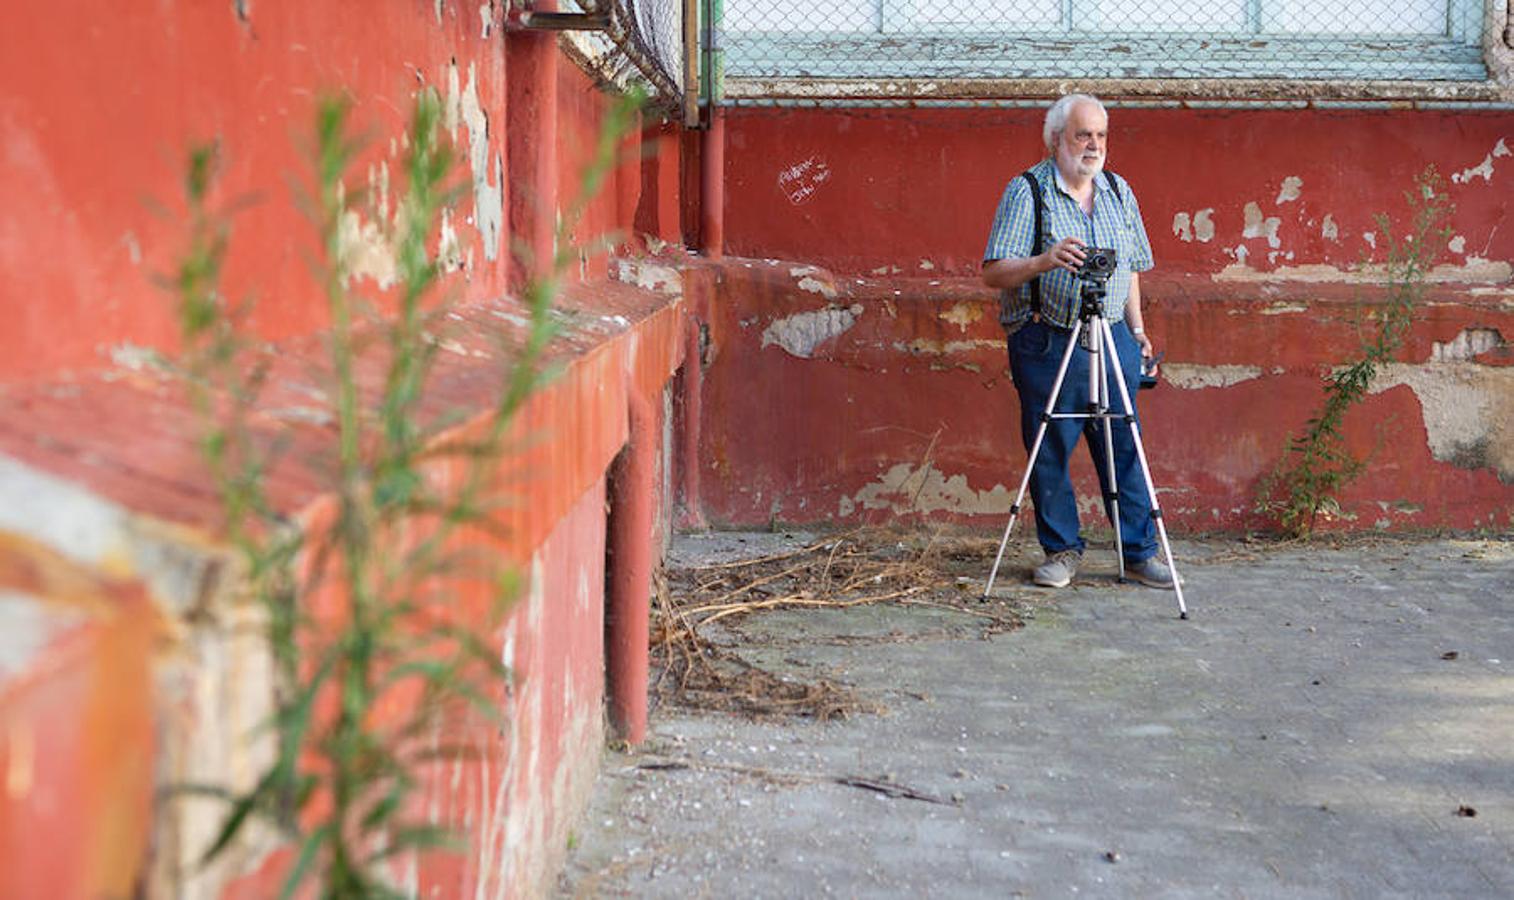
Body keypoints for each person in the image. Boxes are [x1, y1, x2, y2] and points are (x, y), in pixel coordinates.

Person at [981, 93, 1174, 590]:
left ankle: (1138, 552)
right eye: (1082, 135)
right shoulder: (1028, 191)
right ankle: (1062, 551)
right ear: (1055, 141)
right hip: (1047, 337)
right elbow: (994, 273)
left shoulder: (1117, 190)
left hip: (1112, 335)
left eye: (1100, 136)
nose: (1093, 145)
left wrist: (1137, 329)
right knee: (1050, 447)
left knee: (1123, 445)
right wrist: (1044, 261)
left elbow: (1130, 266)